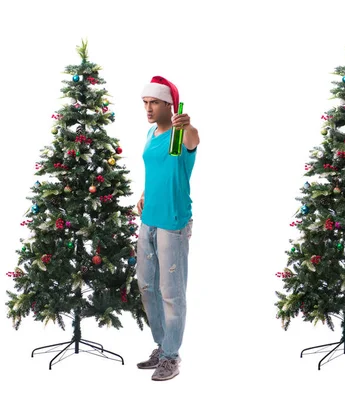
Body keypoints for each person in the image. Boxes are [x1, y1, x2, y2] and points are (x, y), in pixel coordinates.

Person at [135, 75, 200, 381]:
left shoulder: (179, 134)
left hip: (172, 223)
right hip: (148, 219)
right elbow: (156, 169)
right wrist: (145, 195)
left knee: (170, 292)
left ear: (169, 104)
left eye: (155, 103)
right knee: (147, 287)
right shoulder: (151, 133)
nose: (148, 108)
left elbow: (192, 140)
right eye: (146, 102)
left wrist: (185, 125)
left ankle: (172, 356)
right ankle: (162, 346)